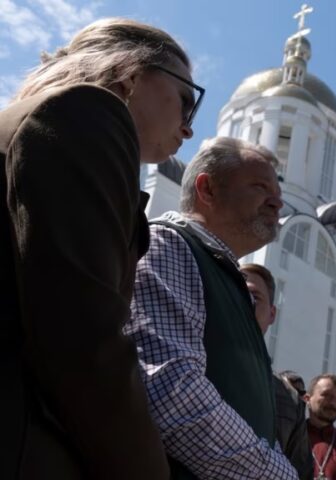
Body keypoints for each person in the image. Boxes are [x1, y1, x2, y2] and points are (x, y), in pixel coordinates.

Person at [0, 17, 198, 479]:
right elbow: (81, 336)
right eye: (186, 102)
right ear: (131, 74)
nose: (188, 129)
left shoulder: (31, 117)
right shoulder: (89, 114)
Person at [125, 137, 297, 479]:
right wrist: (276, 473)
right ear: (208, 189)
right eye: (260, 186)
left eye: (277, 191)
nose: (277, 202)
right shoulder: (170, 245)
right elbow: (170, 391)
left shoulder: (224, 275)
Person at [240, 263, 314, 480]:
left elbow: (301, 471)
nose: (244, 302)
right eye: (235, 293)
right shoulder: (190, 365)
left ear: (272, 314)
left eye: (254, 296)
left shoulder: (289, 397)